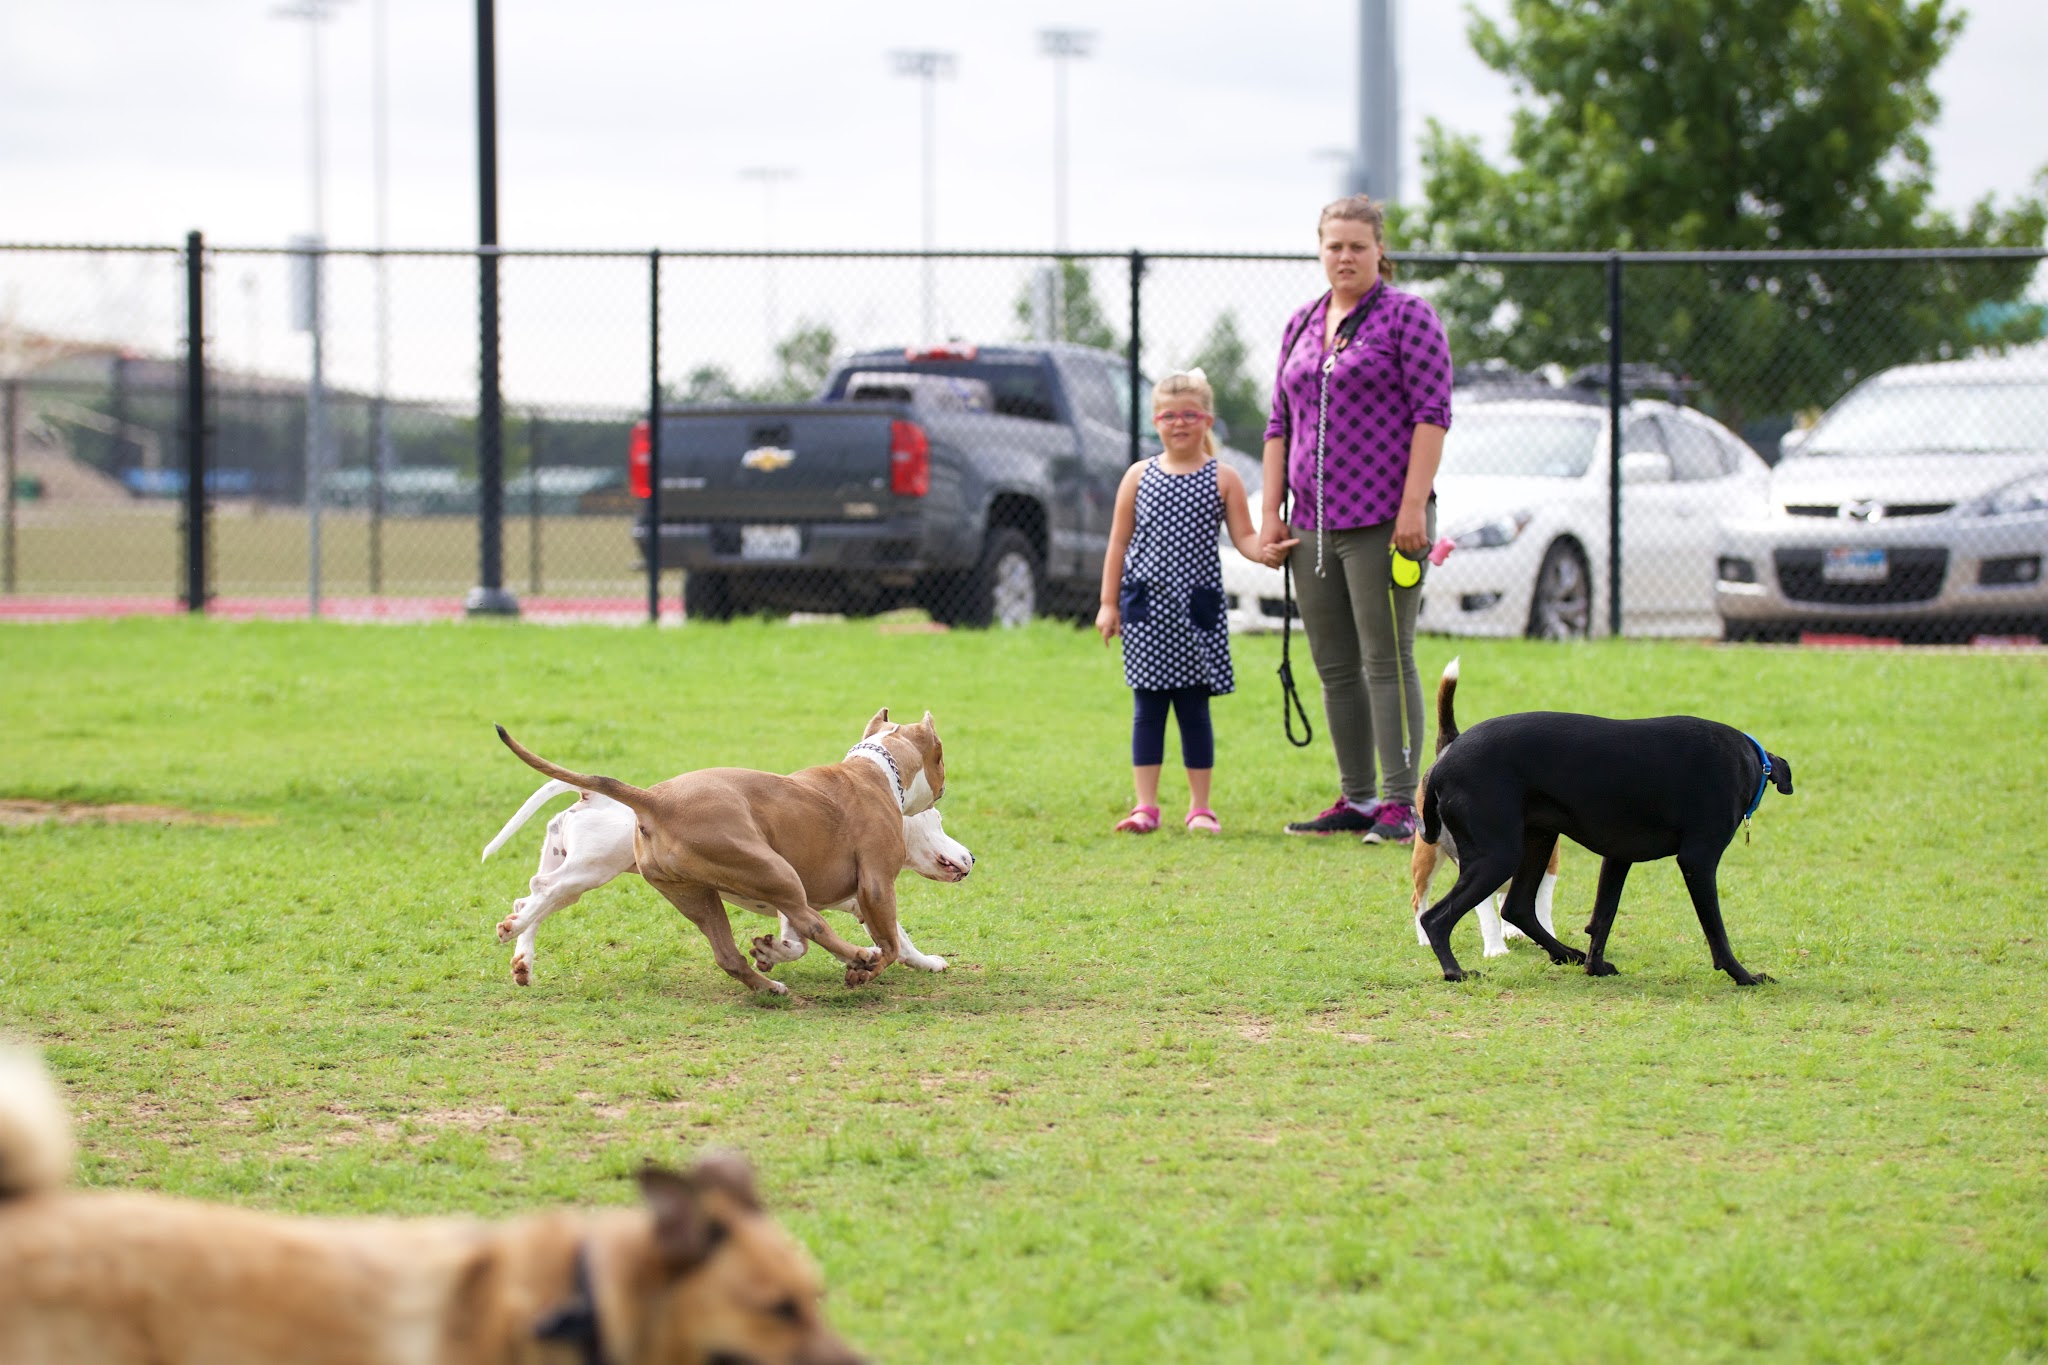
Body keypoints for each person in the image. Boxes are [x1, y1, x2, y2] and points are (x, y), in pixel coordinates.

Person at [1257, 194, 1452, 844]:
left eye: (1356, 246)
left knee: (1386, 658)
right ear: (1320, 249)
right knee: (1334, 664)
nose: (1344, 256)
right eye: (1333, 245)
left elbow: (1432, 414)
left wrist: (1411, 508)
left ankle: (1402, 802)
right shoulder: (1302, 322)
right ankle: (1358, 796)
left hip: (1385, 519)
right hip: (1311, 523)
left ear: (1379, 251)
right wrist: (1269, 513)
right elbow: (1279, 423)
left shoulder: (1408, 318)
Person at [1097, 369, 1294, 834]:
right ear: (1155, 421)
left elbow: (1244, 537)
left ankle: (1200, 807)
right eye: (1169, 415)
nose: (1179, 423)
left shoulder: (1223, 478)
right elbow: (1117, 544)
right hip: (1147, 615)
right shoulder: (1137, 476)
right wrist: (1109, 604)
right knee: (1147, 710)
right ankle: (1145, 807)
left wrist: (1264, 553)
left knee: (1193, 710)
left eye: (1190, 414)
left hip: (1197, 617)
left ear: (1207, 419)